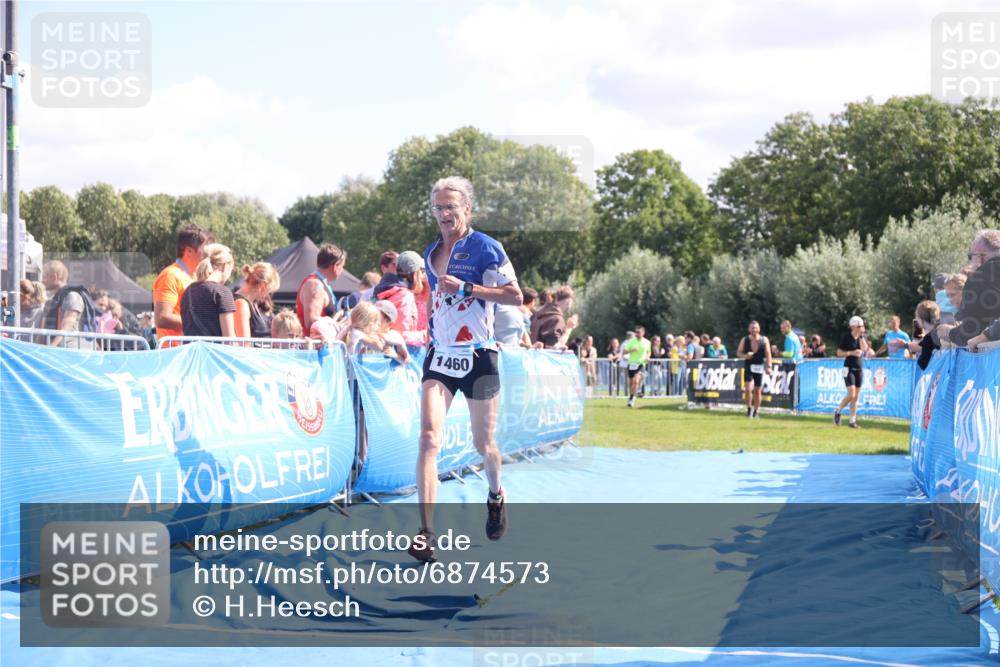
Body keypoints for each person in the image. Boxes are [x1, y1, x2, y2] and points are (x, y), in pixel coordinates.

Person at [408, 176, 522, 563]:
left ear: (466, 209)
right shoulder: (430, 251)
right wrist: (429, 327)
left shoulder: (486, 248)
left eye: (450, 207)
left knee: (484, 444)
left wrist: (467, 289)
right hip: (440, 355)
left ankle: (495, 495)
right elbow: (434, 297)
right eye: (437, 207)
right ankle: (426, 533)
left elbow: (515, 295)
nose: (443, 214)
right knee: (427, 437)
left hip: (479, 355)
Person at [153, 224, 212, 343]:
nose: (207, 253)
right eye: (204, 248)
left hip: (192, 351)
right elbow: (162, 318)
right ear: (189, 250)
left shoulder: (195, 277)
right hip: (174, 353)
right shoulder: (170, 275)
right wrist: (198, 323)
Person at [939, 230, 1000, 346]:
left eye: (970, 256)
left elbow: (969, 334)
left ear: (980, 257)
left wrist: (949, 332)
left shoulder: (979, 279)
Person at [180, 244, 237, 338]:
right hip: (214, 352)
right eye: (231, 270)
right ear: (224, 266)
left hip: (193, 352)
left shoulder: (188, 291)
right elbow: (229, 338)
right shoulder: (222, 292)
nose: (230, 274)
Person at [372, 250, 425, 348]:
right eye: (422, 271)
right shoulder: (405, 296)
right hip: (395, 355)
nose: (423, 276)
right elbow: (400, 335)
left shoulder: (382, 290)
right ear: (415, 274)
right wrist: (425, 335)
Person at [39, 260, 97, 348]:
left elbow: (66, 327)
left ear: (55, 277)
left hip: (69, 350)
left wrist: (51, 347)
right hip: (53, 351)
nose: (42, 280)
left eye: (45, 276)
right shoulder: (50, 302)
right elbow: (42, 332)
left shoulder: (72, 296)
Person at [296, 243, 347, 334]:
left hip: (320, 344)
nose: (342, 270)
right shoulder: (314, 285)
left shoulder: (319, 284)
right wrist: (338, 324)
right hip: (313, 345)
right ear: (335, 266)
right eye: (342, 266)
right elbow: (311, 321)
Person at [834, 315, 869, 429]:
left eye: (862, 326)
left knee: (856, 397)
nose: (861, 328)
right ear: (853, 327)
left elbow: (865, 349)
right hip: (848, 368)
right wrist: (851, 353)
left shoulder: (861, 337)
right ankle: (838, 411)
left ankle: (852, 421)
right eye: (859, 326)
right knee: (851, 394)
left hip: (859, 369)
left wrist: (862, 336)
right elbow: (839, 353)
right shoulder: (846, 338)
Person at [235, 262, 280, 339]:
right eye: (269, 292)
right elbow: (244, 343)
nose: (268, 295)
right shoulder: (241, 304)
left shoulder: (254, 303)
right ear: (263, 285)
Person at [737, 321, 771, 419]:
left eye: (756, 328)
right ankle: (749, 409)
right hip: (748, 365)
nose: (754, 330)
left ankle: (756, 411)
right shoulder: (745, 340)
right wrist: (745, 356)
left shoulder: (764, 340)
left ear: (759, 329)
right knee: (748, 389)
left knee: (757, 390)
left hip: (759, 366)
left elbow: (768, 353)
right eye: (752, 328)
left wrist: (769, 366)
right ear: (749, 329)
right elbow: (738, 353)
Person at [903, 301, 941, 370]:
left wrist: (918, 351)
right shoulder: (940, 332)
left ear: (921, 319)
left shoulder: (929, 338)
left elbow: (923, 364)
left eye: (917, 318)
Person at [622, 325, 651, 408]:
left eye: (639, 332)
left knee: (636, 380)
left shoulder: (647, 342)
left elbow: (649, 352)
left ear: (643, 333)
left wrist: (647, 357)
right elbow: (624, 352)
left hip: (641, 364)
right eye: (636, 332)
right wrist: (632, 350)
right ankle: (631, 395)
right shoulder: (631, 341)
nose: (637, 334)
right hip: (631, 364)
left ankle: (632, 398)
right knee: (631, 382)